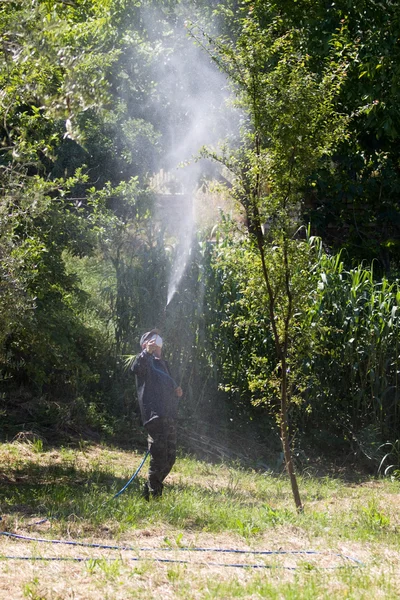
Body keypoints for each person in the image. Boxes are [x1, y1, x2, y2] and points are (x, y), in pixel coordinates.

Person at [131, 329, 183, 499]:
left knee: (170, 459)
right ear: (144, 344)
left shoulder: (163, 364)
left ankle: (149, 488)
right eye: (150, 337)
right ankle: (154, 496)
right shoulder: (144, 360)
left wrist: (176, 391)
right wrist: (147, 352)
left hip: (169, 416)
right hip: (155, 416)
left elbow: (165, 387)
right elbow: (136, 368)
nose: (156, 338)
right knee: (159, 457)